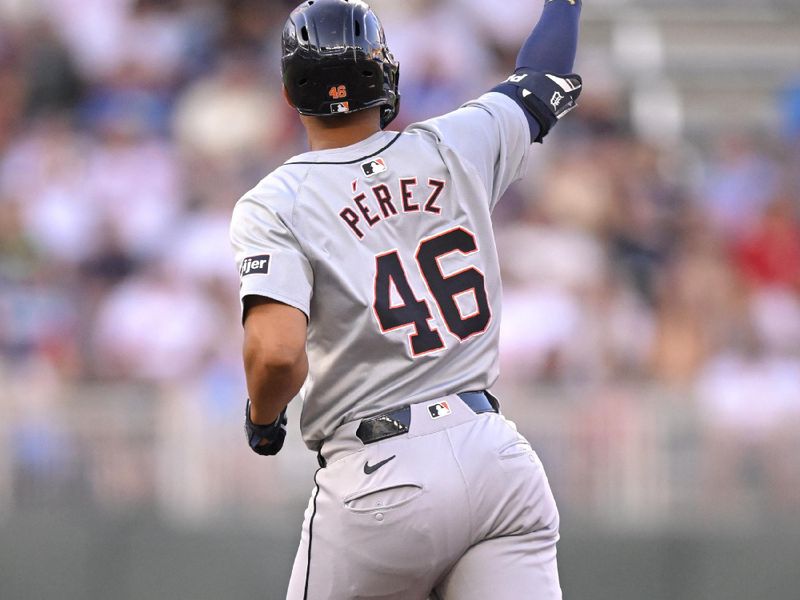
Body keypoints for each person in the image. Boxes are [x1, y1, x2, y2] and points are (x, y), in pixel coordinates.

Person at [229, 0, 582, 598]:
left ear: (290, 95)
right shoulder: (456, 142)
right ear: (385, 73)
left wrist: (263, 421)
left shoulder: (277, 200)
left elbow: (277, 354)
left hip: (381, 477)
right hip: (495, 456)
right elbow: (543, 74)